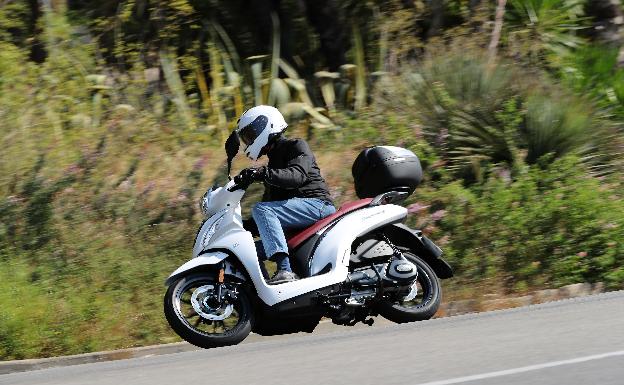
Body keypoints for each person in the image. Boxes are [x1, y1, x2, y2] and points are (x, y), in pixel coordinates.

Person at [233, 105, 336, 284]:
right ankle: (262, 293)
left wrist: (261, 173)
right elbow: (266, 219)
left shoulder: (296, 146)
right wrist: (236, 226)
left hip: (318, 206)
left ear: (266, 126)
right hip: (299, 218)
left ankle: (284, 271)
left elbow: (297, 176)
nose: (248, 141)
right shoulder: (272, 165)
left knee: (261, 209)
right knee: (246, 250)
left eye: (250, 135)